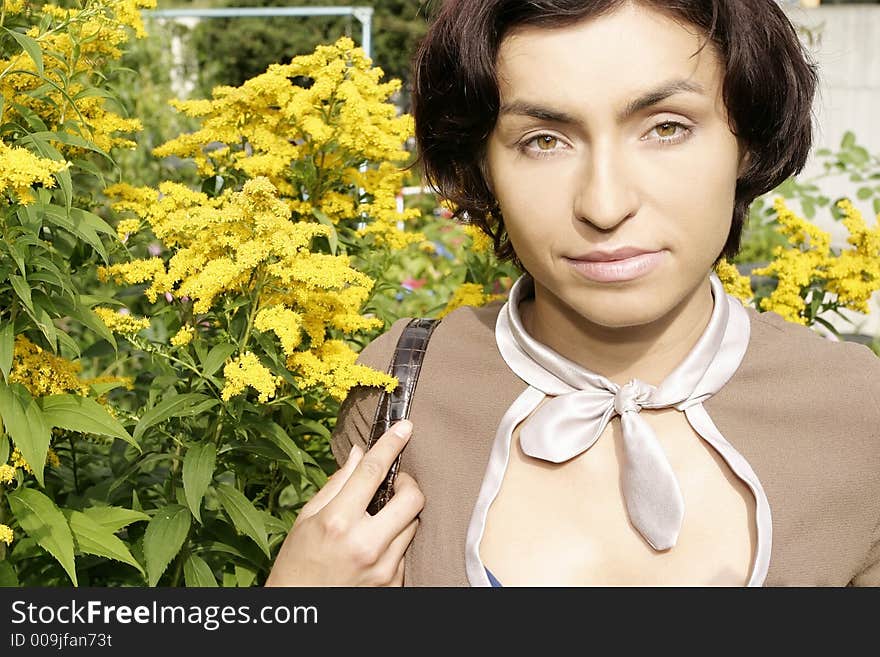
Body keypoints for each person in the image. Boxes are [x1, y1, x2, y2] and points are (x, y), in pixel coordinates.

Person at [266, 0, 880, 587]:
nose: (605, 205)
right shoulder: (402, 389)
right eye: (543, 140)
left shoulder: (859, 415)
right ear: (482, 167)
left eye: (666, 128)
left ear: (746, 139)